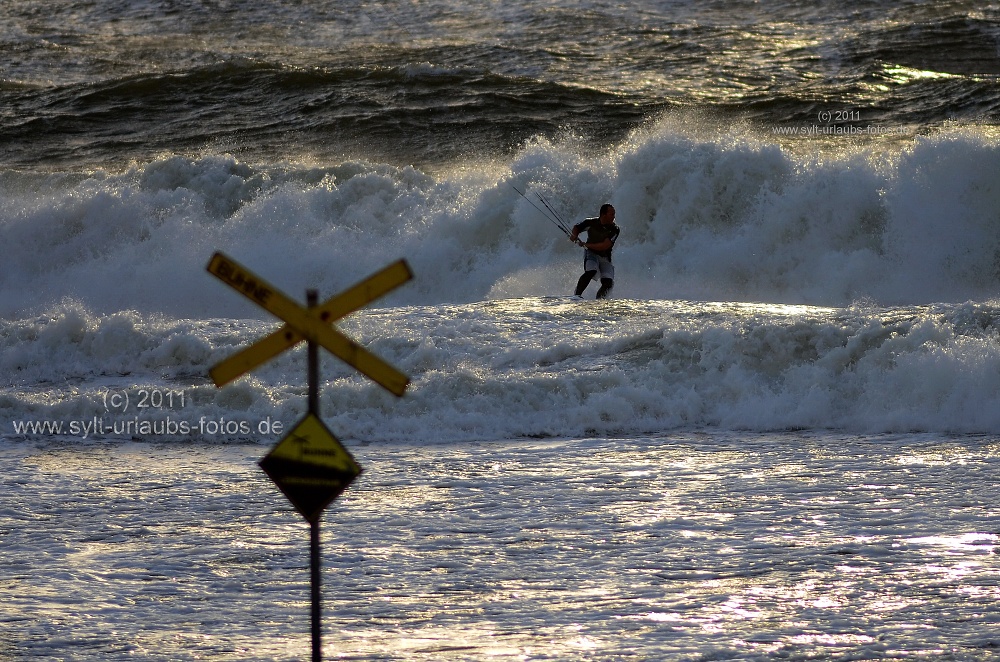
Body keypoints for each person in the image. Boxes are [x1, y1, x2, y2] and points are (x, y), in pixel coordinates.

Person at [570, 203, 620, 299]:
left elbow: (605, 246)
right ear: (603, 215)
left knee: (608, 283)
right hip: (591, 254)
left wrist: (585, 244)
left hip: (605, 257)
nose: (614, 217)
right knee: (591, 271)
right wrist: (574, 235)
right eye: (611, 214)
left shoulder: (615, 229)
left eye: (614, 214)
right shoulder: (591, 223)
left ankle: (599, 301)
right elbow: (577, 228)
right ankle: (576, 296)